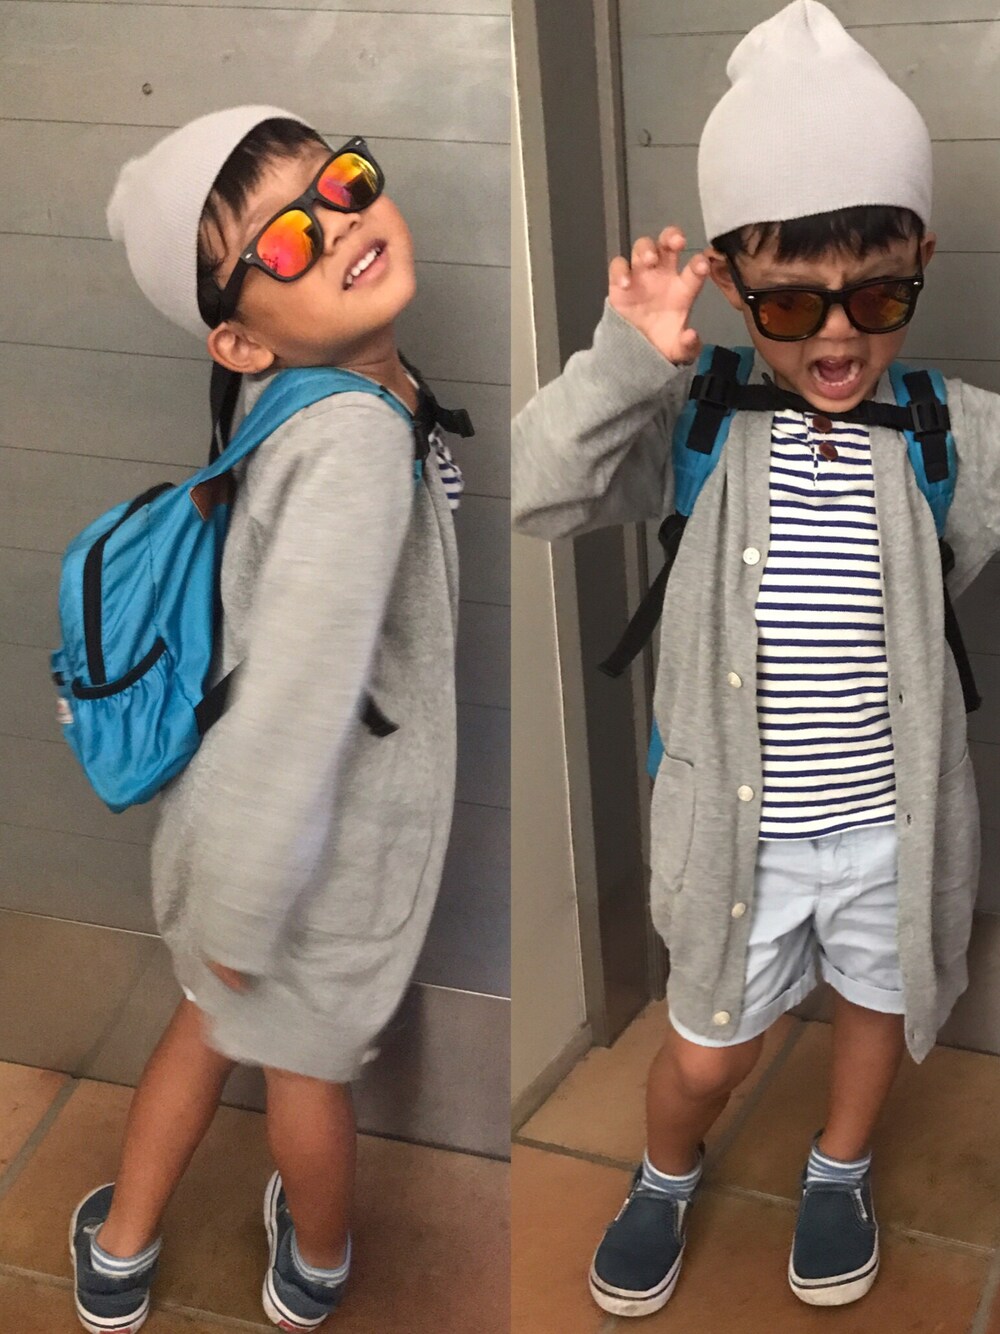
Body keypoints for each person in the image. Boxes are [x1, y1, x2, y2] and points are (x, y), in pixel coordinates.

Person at [513, 0, 997, 1315]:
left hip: (892, 827)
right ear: (731, 283)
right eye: (789, 301)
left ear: (921, 261)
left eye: (877, 295)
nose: (836, 338)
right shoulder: (697, 417)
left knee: (877, 1012)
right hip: (742, 837)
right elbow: (541, 488)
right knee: (707, 1054)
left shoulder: (944, 428)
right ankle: (665, 1170)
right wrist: (624, 362)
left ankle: (840, 1165)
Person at [70, 105, 465, 1333]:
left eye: (340, 183)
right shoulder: (349, 440)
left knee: (203, 1025)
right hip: (307, 844)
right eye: (286, 240)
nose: (336, 225)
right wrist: (246, 900)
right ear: (240, 337)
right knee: (304, 1078)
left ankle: (121, 1250)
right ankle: (317, 1262)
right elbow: (300, 688)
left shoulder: (311, 384)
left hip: (241, 823)